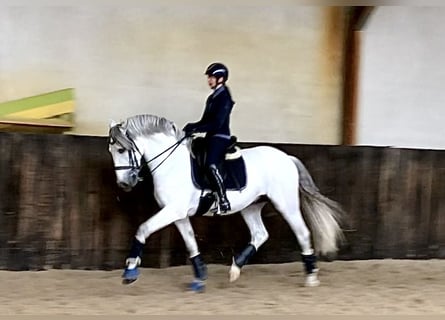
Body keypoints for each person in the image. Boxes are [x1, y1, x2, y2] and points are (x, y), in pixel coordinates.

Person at [183, 62, 235, 213]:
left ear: (221, 79)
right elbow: (205, 121)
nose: (209, 80)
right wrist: (192, 126)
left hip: (220, 136)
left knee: (211, 164)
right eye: (209, 77)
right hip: (210, 136)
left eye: (212, 77)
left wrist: (198, 128)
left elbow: (217, 123)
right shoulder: (211, 98)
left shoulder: (224, 97)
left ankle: (223, 198)